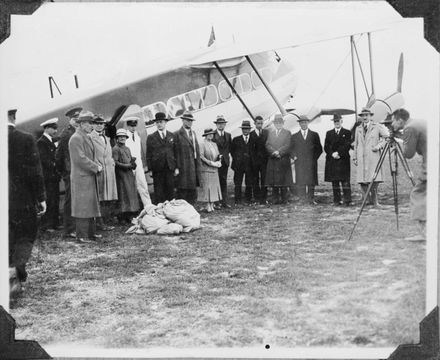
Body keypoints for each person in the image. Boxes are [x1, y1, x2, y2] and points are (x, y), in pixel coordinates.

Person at [8, 109, 47, 296]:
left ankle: (11, 273)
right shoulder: (25, 139)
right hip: (21, 201)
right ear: (13, 117)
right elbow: (34, 172)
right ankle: (15, 274)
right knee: (25, 236)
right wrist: (41, 198)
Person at [391, 108, 427, 242]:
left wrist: (400, 141)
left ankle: (423, 233)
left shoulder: (409, 128)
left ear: (400, 120)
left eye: (393, 121)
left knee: (418, 194)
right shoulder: (418, 122)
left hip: (431, 163)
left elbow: (408, 154)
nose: (392, 125)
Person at [69, 111, 103, 243]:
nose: (91, 126)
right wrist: (96, 167)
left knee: (90, 205)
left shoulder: (85, 136)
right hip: (82, 178)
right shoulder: (76, 138)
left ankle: (90, 233)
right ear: (82, 124)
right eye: (90, 123)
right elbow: (80, 159)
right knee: (83, 207)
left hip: (87, 176)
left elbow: (88, 156)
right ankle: (82, 236)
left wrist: (96, 165)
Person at [353, 107, 389, 207]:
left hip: (373, 157)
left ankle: (375, 201)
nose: (364, 117)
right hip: (361, 157)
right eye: (363, 115)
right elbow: (356, 144)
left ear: (370, 116)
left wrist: (378, 146)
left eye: (366, 115)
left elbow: (386, 138)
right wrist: (355, 157)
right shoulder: (358, 128)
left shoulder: (377, 126)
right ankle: (367, 200)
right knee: (362, 180)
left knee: (374, 180)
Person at [55, 106, 82, 239]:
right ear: (70, 120)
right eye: (74, 119)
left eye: (78, 118)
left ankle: (77, 227)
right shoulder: (66, 134)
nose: (77, 121)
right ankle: (69, 230)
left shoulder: (80, 132)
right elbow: (58, 156)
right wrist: (64, 172)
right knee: (70, 200)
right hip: (70, 172)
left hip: (80, 171)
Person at [90, 115, 118, 230]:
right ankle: (100, 223)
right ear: (92, 125)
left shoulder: (106, 138)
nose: (99, 125)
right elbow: (90, 154)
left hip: (109, 171)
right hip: (99, 171)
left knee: (108, 197)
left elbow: (109, 153)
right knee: (99, 197)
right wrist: (96, 166)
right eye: (97, 123)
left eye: (101, 124)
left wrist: (112, 162)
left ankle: (106, 220)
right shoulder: (90, 137)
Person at [146, 112, 178, 204]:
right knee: (159, 192)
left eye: (161, 122)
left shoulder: (172, 135)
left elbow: (175, 152)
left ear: (165, 122)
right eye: (157, 122)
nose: (159, 124)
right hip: (158, 169)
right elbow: (148, 155)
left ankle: (171, 210)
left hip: (169, 167)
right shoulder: (151, 137)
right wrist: (150, 169)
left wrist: (176, 167)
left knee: (170, 190)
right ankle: (161, 212)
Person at [291, 115, 323, 204]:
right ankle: (302, 199)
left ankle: (310, 198)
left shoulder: (314, 135)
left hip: (311, 163)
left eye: (305, 122)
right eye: (301, 122)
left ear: (308, 123)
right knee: (301, 180)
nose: (303, 124)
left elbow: (319, 149)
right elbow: (291, 149)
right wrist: (294, 156)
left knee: (311, 181)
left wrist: (313, 158)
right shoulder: (294, 136)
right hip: (299, 163)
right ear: (299, 124)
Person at [37, 117, 61, 231]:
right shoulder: (41, 142)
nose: (55, 131)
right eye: (53, 128)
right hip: (48, 177)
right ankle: (47, 225)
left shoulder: (50, 140)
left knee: (55, 199)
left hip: (53, 176)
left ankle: (54, 223)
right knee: (49, 200)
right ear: (47, 128)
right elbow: (44, 160)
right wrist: (56, 165)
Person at [112, 128, 141, 223]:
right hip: (121, 175)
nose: (122, 138)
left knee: (130, 194)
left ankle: (130, 213)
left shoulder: (127, 148)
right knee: (123, 194)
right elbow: (115, 162)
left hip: (129, 174)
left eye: (124, 137)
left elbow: (129, 159)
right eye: (120, 137)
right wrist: (127, 165)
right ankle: (122, 216)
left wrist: (133, 163)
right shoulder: (116, 149)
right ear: (117, 138)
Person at [324, 114, 353, 206]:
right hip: (332, 160)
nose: (337, 122)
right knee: (335, 181)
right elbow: (326, 146)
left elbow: (347, 145)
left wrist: (338, 153)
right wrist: (332, 153)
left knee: (345, 181)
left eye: (338, 121)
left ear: (341, 121)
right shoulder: (329, 133)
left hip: (343, 160)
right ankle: (337, 200)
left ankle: (347, 200)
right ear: (333, 122)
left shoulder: (347, 132)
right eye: (335, 121)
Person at [124, 116, 152, 207]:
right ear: (127, 126)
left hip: (138, 164)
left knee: (143, 185)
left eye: (134, 125)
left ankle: (148, 206)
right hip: (129, 164)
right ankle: (133, 208)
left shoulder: (137, 135)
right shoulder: (124, 136)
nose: (133, 128)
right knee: (131, 187)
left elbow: (139, 151)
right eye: (131, 126)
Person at [265, 114, 293, 204]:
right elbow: (267, 144)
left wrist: (279, 152)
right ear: (274, 124)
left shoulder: (287, 132)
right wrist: (273, 152)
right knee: (274, 181)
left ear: (282, 123)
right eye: (276, 123)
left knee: (284, 181)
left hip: (283, 159)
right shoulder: (271, 133)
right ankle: (275, 199)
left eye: (280, 122)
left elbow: (288, 145)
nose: (278, 124)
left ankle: (285, 199)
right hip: (274, 159)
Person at [174, 111, 201, 204]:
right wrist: (176, 167)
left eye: (191, 121)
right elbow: (175, 152)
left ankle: (191, 208)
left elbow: (196, 150)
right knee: (183, 190)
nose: (189, 122)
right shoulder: (177, 134)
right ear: (183, 121)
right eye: (187, 120)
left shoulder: (193, 133)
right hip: (183, 167)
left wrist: (198, 165)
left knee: (192, 190)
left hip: (193, 166)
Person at [198, 128, 223, 212]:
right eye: (209, 134)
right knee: (207, 188)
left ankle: (212, 205)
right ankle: (207, 205)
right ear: (205, 135)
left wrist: (219, 160)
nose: (211, 135)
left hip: (214, 169)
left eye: (212, 134)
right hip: (206, 169)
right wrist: (210, 163)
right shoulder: (202, 144)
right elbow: (201, 156)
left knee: (213, 188)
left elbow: (218, 154)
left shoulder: (214, 144)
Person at [231, 120, 254, 205]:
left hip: (249, 165)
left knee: (249, 183)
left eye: (247, 129)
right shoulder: (236, 139)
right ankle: (238, 200)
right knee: (238, 183)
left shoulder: (253, 139)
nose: (245, 131)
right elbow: (232, 151)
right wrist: (238, 159)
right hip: (238, 166)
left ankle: (248, 199)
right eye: (244, 129)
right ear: (242, 129)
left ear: (249, 130)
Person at [212, 115, 232, 208]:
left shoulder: (228, 135)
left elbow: (230, 148)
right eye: (219, 124)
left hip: (225, 162)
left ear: (225, 124)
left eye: (222, 124)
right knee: (216, 181)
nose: (220, 125)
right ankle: (217, 202)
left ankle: (225, 201)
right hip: (216, 162)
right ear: (216, 125)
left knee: (224, 181)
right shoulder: (213, 135)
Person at [250, 115, 268, 204]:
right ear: (254, 123)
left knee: (264, 179)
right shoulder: (251, 134)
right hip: (255, 162)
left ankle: (264, 198)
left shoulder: (267, 133)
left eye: (261, 123)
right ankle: (257, 198)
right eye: (258, 123)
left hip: (264, 161)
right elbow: (250, 149)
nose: (260, 125)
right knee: (255, 179)